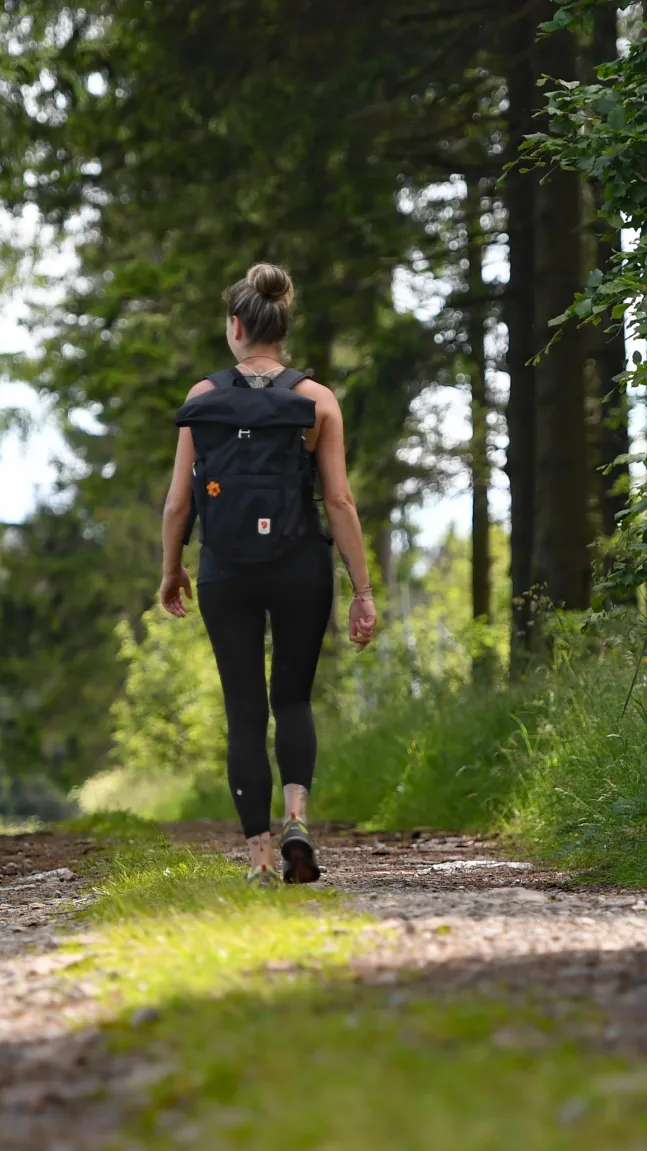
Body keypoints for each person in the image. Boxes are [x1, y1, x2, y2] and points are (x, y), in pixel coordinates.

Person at [158, 262, 379, 888]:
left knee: (246, 710)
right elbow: (339, 503)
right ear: (282, 328)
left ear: (236, 326)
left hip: (226, 569)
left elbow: (179, 502)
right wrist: (362, 592)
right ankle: (297, 819)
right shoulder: (316, 401)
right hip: (300, 565)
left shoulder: (202, 402)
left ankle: (258, 858)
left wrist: (173, 569)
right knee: (293, 698)